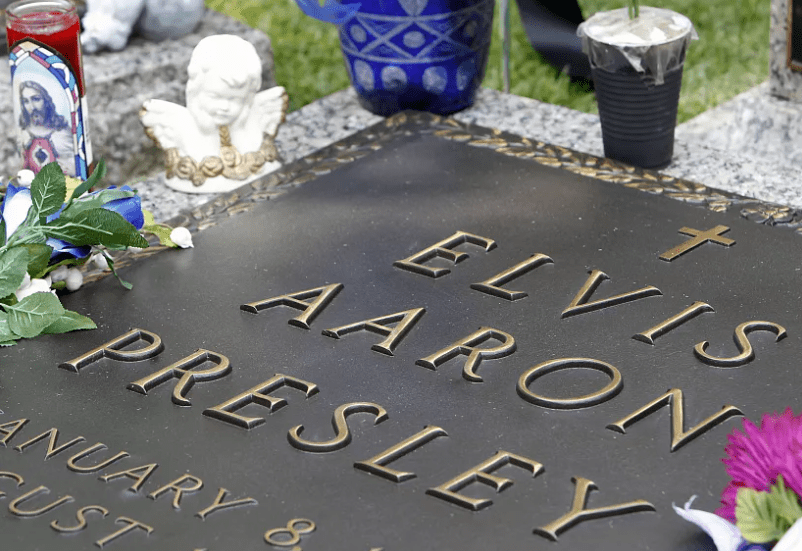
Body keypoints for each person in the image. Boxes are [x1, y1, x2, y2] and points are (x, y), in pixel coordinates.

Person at [140, 35, 288, 193]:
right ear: (196, 92)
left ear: (247, 100)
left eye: (235, 99)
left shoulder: (251, 128)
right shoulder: (183, 127)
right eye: (215, 97)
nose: (224, 107)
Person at [18, 80, 76, 176]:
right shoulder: (24, 133)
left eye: (36, 99)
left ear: (46, 101)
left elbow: (76, 170)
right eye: (26, 101)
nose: (32, 107)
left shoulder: (62, 133)